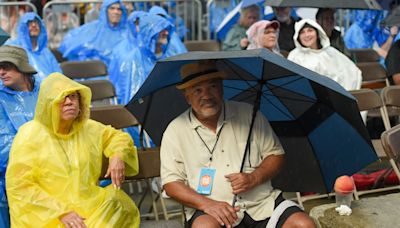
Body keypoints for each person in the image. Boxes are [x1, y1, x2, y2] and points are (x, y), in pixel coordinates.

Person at [160, 60, 316, 228]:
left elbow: (276, 154)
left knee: (303, 224)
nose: (206, 96)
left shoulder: (249, 114)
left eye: (212, 87)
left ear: (221, 88)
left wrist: (254, 177)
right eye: (197, 90)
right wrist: (208, 204)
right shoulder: (175, 130)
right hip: (211, 211)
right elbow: (171, 184)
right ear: (187, 96)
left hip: (262, 205)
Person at [5, 72, 140, 227]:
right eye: (62, 97)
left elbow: (117, 137)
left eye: (73, 97)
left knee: (119, 203)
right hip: (47, 217)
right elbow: (20, 186)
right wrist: (60, 212)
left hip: (88, 205)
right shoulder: (29, 135)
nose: (69, 102)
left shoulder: (88, 128)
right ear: (48, 103)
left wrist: (117, 155)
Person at [0, 45, 39, 228]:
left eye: (6, 66)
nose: (1, 72)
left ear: (22, 67)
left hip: (50, 162)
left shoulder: (45, 91)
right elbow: (3, 143)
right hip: (12, 168)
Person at [288, 19, 362, 91]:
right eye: (302, 32)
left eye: (310, 30)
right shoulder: (294, 56)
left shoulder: (330, 52)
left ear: (317, 33)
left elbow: (351, 71)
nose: (307, 35)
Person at [58, 0, 128, 66]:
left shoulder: (127, 31)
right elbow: (70, 42)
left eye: (119, 9)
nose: (116, 12)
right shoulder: (93, 28)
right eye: (112, 8)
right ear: (105, 11)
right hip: (94, 71)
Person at [5, 12, 62, 82]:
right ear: (23, 28)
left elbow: (59, 75)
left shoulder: (45, 52)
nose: (34, 25)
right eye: (29, 23)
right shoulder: (15, 48)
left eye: (36, 22)